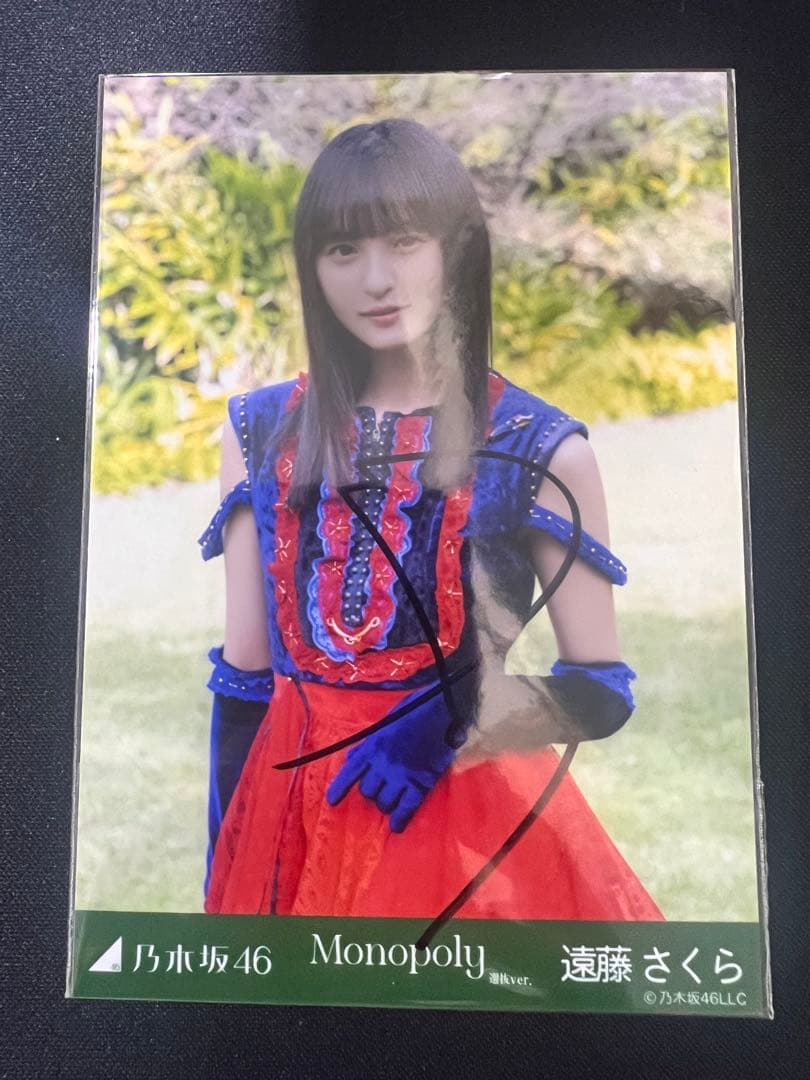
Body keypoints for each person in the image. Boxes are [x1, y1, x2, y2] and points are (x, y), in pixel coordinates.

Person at [198, 118, 664, 922]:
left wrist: (449, 722)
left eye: (406, 242)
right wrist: (226, 874)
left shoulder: (539, 445)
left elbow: (601, 690)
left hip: (464, 834)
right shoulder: (259, 430)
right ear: (312, 266)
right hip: (288, 827)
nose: (376, 279)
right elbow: (245, 682)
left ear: (458, 248)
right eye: (343, 249)